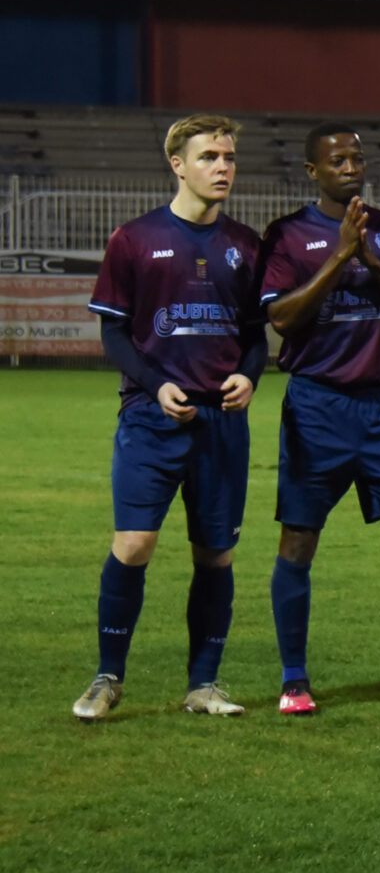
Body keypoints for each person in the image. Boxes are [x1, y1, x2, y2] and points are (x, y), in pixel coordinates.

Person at [74, 114, 268, 721]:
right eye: (209, 156)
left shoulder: (246, 245)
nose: (223, 167)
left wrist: (250, 375)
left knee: (216, 554)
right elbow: (113, 334)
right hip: (150, 418)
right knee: (134, 544)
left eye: (229, 157)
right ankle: (107, 677)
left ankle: (203, 685)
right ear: (177, 165)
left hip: (222, 424)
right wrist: (156, 386)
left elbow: (256, 336)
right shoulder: (134, 239)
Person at [257, 125, 380, 712]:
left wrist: (370, 258)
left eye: (357, 158)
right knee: (299, 539)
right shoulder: (287, 234)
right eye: (337, 159)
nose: (350, 167)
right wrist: (341, 255)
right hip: (317, 407)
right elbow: (281, 318)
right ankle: (294, 680)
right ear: (312, 171)